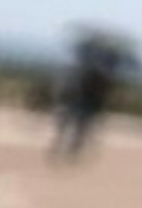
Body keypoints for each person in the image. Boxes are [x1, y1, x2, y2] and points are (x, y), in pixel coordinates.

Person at [54, 29, 135, 161]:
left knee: (80, 125)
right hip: (84, 99)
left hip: (89, 101)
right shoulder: (98, 68)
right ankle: (70, 146)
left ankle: (72, 147)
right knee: (78, 124)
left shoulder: (98, 68)